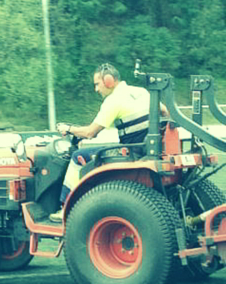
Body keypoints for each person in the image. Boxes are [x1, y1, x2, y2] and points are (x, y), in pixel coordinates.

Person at [50, 63, 168, 222]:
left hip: (132, 152)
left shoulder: (113, 101)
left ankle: (65, 208)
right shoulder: (141, 92)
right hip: (147, 148)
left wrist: (68, 128)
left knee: (78, 156)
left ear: (108, 81)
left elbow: (90, 133)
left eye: (97, 84)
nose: (96, 89)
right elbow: (165, 111)